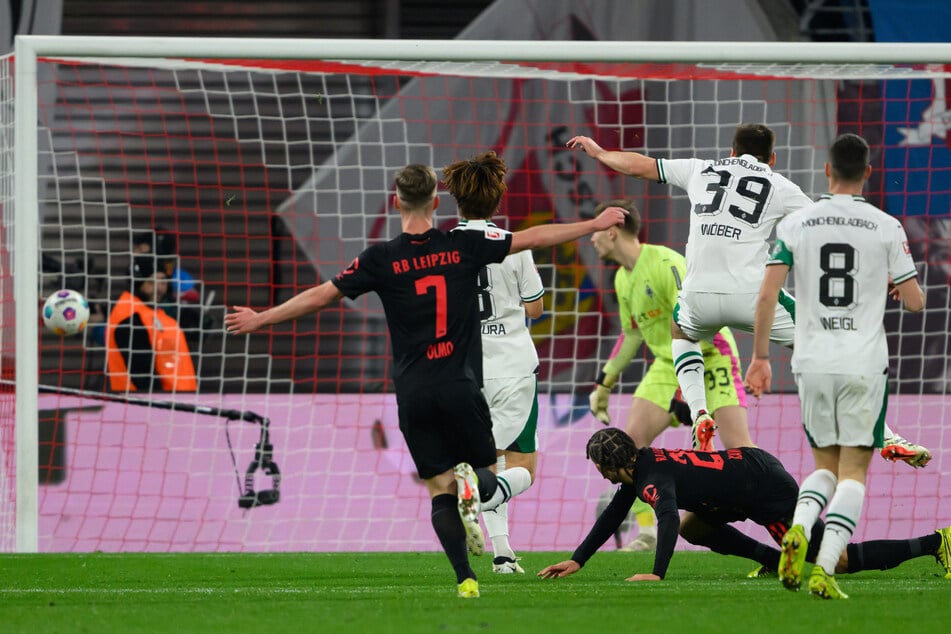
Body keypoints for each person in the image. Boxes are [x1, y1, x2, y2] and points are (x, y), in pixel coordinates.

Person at [225, 163, 627, 599]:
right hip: (462, 383)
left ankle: (465, 579)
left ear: (395, 201)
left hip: (413, 392)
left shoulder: (379, 258)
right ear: (437, 202)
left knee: (439, 492)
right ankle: (482, 502)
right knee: (494, 471)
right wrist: (595, 222)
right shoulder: (461, 244)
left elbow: (322, 295)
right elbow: (533, 238)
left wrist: (261, 318)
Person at [568, 125, 931, 468]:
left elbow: (641, 167)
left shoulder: (701, 169)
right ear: (771, 158)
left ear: (731, 151)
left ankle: (699, 412)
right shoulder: (779, 184)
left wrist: (600, 153)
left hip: (698, 298)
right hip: (753, 299)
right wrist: (884, 273)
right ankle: (884, 436)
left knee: (680, 331)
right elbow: (825, 231)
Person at [743, 133, 927, 599]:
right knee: (854, 473)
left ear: (827, 171)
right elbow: (915, 303)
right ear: (868, 172)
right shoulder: (886, 225)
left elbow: (766, 296)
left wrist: (761, 358)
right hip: (863, 362)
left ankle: (798, 529)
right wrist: (890, 284)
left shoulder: (797, 224)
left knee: (823, 466)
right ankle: (823, 570)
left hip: (812, 361)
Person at [538, 428, 951, 590]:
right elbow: (614, 515)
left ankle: (936, 542)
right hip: (742, 475)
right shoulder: (641, 465)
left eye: (597, 465)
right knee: (694, 528)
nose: (597, 472)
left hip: (763, 489)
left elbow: (664, 515)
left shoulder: (649, 477)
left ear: (609, 464)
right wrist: (578, 560)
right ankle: (773, 559)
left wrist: (656, 571)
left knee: (837, 561)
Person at [586, 198, 753, 551]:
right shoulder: (622, 278)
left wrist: (685, 392)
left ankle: (793, 524)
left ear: (613, 231)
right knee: (628, 447)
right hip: (666, 365)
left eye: (596, 230)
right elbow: (632, 333)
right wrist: (605, 382)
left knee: (742, 455)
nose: (591, 238)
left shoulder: (665, 263)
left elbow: (696, 321)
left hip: (709, 356)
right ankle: (647, 532)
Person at [445, 151, 542, 574]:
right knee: (521, 469)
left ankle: (503, 555)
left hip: (465, 368)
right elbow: (535, 308)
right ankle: (484, 495)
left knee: (487, 462)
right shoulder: (514, 245)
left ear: (456, 199)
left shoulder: (442, 246)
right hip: (513, 367)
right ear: (497, 198)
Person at [105, 254, 198, 392]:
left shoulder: (154, 314)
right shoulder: (131, 317)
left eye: (163, 282)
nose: (159, 288)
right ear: (139, 282)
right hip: (155, 406)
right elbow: (141, 372)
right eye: (152, 281)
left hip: (179, 402)